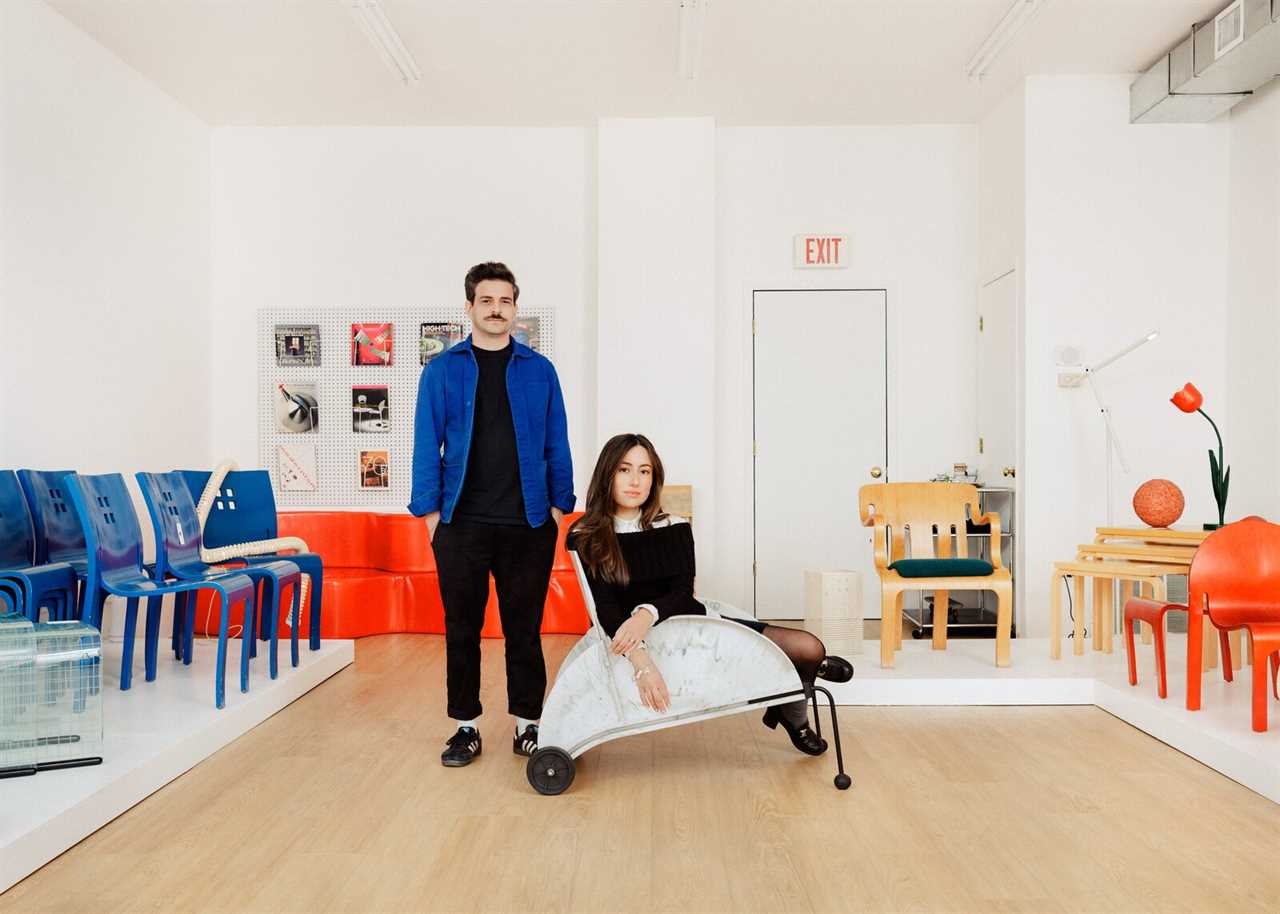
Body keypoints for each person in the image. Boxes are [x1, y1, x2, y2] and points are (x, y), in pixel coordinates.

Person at [567, 433, 852, 755]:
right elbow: (604, 609)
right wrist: (641, 661)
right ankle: (800, 689)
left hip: (696, 624)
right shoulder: (585, 536)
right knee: (804, 659)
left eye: (644, 471)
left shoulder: (674, 526)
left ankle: (790, 711)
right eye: (624, 469)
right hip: (638, 641)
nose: (635, 480)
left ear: (654, 478)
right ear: (608, 474)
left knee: (808, 647)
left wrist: (646, 613)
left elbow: (683, 592)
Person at [409, 262, 575, 768]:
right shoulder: (442, 370)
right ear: (469, 308)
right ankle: (466, 727)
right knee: (461, 629)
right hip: (461, 524)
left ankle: (528, 725)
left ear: (515, 309)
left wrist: (555, 509)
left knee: (524, 630)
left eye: (505, 301)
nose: (496, 309)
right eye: (486, 301)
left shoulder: (540, 371)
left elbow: (556, 443)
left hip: (527, 524)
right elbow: (424, 445)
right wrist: (434, 519)